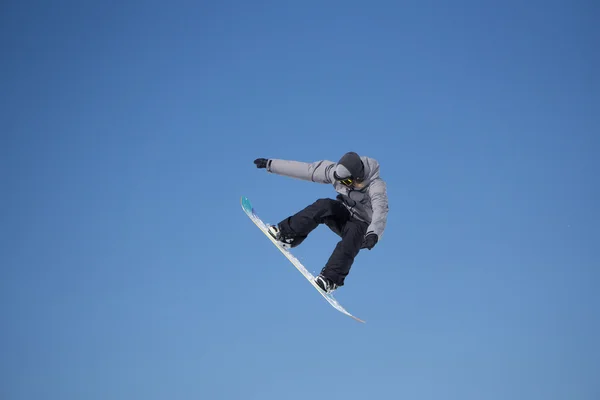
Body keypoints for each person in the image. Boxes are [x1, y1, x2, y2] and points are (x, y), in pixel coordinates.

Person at [253, 152, 389, 293]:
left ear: (358, 176)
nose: (344, 185)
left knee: (353, 234)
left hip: (363, 227)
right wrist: (271, 164)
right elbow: (307, 170)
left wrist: (374, 233)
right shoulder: (334, 172)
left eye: (347, 182)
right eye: (341, 181)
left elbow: (381, 211)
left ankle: (331, 279)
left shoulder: (376, 186)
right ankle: (288, 234)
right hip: (344, 215)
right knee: (324, 205)